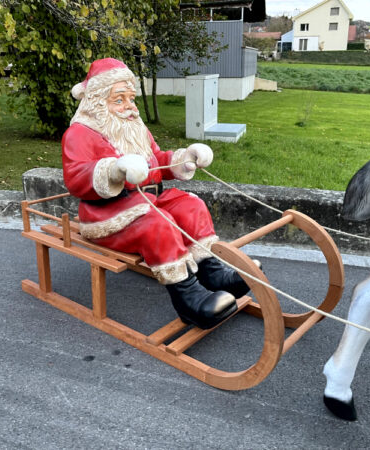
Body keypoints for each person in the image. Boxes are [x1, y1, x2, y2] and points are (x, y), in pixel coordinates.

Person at [62, 58, 251, 329]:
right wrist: (115, 170)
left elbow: (157, 160)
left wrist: (184, 159)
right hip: (106, 214)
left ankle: (212, 272)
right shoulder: (78, 134)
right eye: (119, 100)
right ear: (97, 102)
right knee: (157, 223)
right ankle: (189, 298)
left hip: (147, 200)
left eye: (130, 98)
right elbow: (76, 178)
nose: (129, 106)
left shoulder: (135, 128)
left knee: (190, 206)